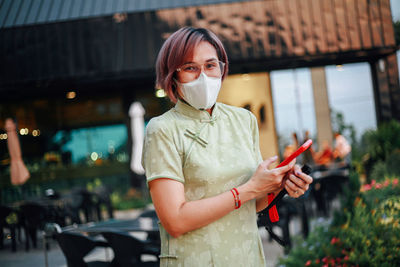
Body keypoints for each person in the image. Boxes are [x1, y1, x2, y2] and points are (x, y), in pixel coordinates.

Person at [141, 27, 313, 267]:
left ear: (222, 67)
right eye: (191, 68)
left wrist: (278, 185)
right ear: (173, 75)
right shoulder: (162, 129)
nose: (203, 76)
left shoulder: (243, 120)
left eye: (211, 65)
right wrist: (250, 189)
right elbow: (175, 221)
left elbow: (253, 204)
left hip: (247, 256)